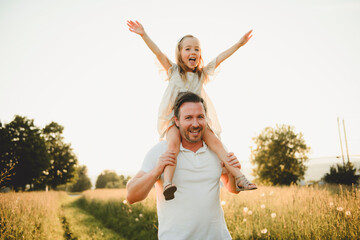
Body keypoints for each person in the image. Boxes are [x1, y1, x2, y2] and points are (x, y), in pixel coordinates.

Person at [127, 20, 257, 200]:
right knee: (172, 146)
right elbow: (157, 52)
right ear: (180, 54)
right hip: (173, 119)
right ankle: (168, 184)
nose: (193, 52)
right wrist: (143, 34)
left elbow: (220, 58)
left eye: (196, 49)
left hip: (195, 120)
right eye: (188, 49)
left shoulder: (201, 75)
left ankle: (240, 177)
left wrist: (239, 44)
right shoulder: (174, 71)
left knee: (218, 144)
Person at [126, 91, 241, 239]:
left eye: (200, 117)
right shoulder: (161, 151)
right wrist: (156, 171)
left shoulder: (217, 150)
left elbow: (232, 189)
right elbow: (131, 196)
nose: (195, 124)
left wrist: (231, 173)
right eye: (188, 118)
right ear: (177, 121)